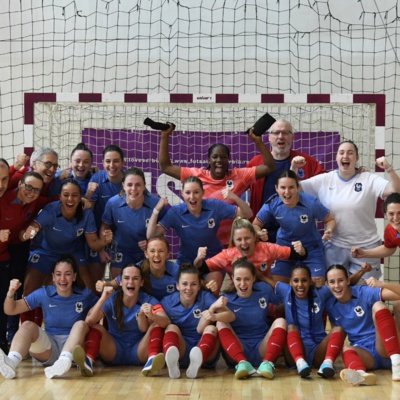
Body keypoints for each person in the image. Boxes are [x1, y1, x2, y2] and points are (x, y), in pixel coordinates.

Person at [158, 124, 276, 245]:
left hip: (231, 242)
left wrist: (257, 141)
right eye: (215, 157)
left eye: (223, 157)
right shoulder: (196, 175)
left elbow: (270, 166)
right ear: (209, 160)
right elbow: (166, 167)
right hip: (203, 242)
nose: (219, 160)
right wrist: (165, 136)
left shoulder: (239, 176)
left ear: (228, 159)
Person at [300, 140, 400, 279]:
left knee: (365, 293)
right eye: (341, 152)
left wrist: (388, 168)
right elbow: (293, 189)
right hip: (334, 246)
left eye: (350, 153)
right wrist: (293, 168)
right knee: (336, 291)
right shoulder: (324, 180)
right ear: (336, 157)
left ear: (357, 158)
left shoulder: (368, 179)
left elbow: (396, 190)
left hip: (367, 246)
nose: (345, 156)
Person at [0, 255, 98, 379]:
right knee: (27, 325)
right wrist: (10, 293)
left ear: (74, 277)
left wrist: (106, 294)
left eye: (67, 274)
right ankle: (11, 362)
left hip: (74, 348)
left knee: (81, 324)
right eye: (58, 274)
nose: (62, 279)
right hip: (48, 348)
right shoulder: (44, 293)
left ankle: (64, 361)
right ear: (53, 276)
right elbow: (11, 310)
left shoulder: (85, 294)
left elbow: (103, 309)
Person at [147, 176, 253, 291]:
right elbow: (151, 235)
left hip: (212, 260)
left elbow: (248, 214)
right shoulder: (175, 212)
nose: (192, 197)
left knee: (210, 291)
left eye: (196, 192)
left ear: (203, 193)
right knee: (187, 293)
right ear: (182, 193)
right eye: (188, 192)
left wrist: (235, 198)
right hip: (187, 262)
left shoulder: (214, 206)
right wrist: (156, 210)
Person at [71, 263, 170, 377]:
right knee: (96, 327)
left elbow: (166, 321)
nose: (131, 282)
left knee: (156, 325)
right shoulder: (112, 298)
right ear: (121, 282)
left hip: (138, 349)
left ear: (141, 282)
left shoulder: (149, 299)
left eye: (135, 278)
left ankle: (152, 360)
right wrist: (103, 298)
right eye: (126, 278)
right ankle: (88, 361)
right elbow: (89, 321)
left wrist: (153, 316)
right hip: (113, 349)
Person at [22, 179, 113, 303]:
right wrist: (31, 231)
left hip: (73, 252)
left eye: (75, 195)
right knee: (28, 291)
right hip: (46, 251)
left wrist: (105, 241)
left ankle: (87, 320)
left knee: (91, 292)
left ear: (81, 197)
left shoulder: (87, 214)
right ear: (60, 197)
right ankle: (32, 322)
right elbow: (34, 225)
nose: (70, 199)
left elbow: (94, 244)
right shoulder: (51, 210)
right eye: (66, 195)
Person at [247, 118, 326, 242]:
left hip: (297, 235)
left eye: (285, 133)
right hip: (263, 232)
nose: (280, 136)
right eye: (276, 133)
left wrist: (354, 173)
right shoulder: (256, 163)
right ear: (269, 137)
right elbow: (235, 182)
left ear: (292, 137)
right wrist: (207, 173)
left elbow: (330, 181)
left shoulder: (306, 162)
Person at [252, 170, 335, 287]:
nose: (287, 192)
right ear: (276, 188)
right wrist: (259, 233)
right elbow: (255, 225)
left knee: (317, 286)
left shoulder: (311, 203)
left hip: (311, 248)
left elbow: (330, 220)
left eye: (291, 187)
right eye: (283, 187)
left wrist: (329, 230)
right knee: (278, 286)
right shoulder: (272, 203)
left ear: (297, 187)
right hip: (284, 248)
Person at [325, 264, 400, 385]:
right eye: (332, 282)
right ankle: (361, 375)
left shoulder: (364, 292)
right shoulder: (330, 306)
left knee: (378, 305)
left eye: (340, 280)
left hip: (384, 346)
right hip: (365, 354)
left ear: (348, 281)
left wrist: (383, 284)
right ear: (327, 285)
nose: (337, 286)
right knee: (345, 348)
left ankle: (397, 363)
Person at [270, 264, 345, 378]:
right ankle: (300, 363)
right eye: (296, 281)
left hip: (318, 348)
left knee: (339, 329)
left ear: (311, 282)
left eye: (304, 280)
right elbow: (266, 280)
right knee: (290, 327)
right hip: (294, 351)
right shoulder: (285, 291)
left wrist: (361, 272)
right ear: (290, 282)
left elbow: (341, 285)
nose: (300, 285)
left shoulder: (320, 292)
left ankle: (327, 364)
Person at [216, 259, 286, 380]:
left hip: (262, 347)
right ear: (232, 279)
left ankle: (267, 363)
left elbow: (282, 301)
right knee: (220, 322)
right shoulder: (225, 298)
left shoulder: (264, 289)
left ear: (254, 278)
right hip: (238, 349)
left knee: (281, 322)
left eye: (247, 279)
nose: (242, 284)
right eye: (238, 279)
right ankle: (242, 363)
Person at [0, 172, 46, 354]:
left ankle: (7, 340)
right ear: (19, 184)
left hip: (10, 253)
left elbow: (55, 199)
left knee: (10, 294)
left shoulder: (36, 201)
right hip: (4, 250)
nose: (31, 192)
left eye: (36, 190)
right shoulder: (3, 197)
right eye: (28, 187)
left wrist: (85, 198)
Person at [161, 264, 233, 379]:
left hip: (206, 353)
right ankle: (173, 363)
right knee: (171, 327)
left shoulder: (205, 297)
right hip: (181, 349)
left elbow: (231, 316)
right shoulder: (167, 302)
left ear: (199, 286)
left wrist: (213, 312)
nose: (189, 288)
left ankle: (197, 363)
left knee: (212, 328)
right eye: (184, 284)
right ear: (177, 286)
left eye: (193, 284)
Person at [194, 217, 307, 284]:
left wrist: (301, 251)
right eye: (239, 239)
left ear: (254, 237)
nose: (244, 243)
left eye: (247, 238)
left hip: (265, 291)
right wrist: (199, 259)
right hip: (239, 293)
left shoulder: (266, 248)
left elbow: (297, 254)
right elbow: (200, 269)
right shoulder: (227, 255)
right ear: (233, 240)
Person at [100, 168, 167, 278]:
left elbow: (162, 233)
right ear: (123, 185)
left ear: (144, 186)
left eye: (138, 185)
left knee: (145, 285)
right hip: (121, 250)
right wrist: (102, 249)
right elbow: (105, 226)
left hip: (146, 252)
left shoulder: (156, 204)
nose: (133, 189)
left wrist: (151, 243)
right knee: (119, 285)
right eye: (129, 184)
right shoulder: (113, 203)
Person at [85, 144, 125, 283]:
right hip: (97, 234)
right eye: (108, 161)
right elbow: (88, 213)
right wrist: (100, 247)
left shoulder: (130, 181)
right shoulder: (96, 179)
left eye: (116, 161)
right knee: (97, 281)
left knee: (118, 282)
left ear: (123, 162)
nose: (112, 165)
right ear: (103, 163)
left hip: (121, 238)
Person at [96, 236, 179, 300]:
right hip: (146, 307)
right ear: (146, 254)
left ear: (168, 254)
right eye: (152, 251)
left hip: (169, 308)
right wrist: (104, 284)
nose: (156, 255)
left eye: (161, 251)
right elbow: (115, 284)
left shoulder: (178, 271)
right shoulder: (138, 268)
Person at [351, 192, 400, 259]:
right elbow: (388, 249)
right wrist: (364, 253)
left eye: (399, 213)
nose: (396, 218)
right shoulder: (390, 230)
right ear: (385, 214)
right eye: (391, 214)